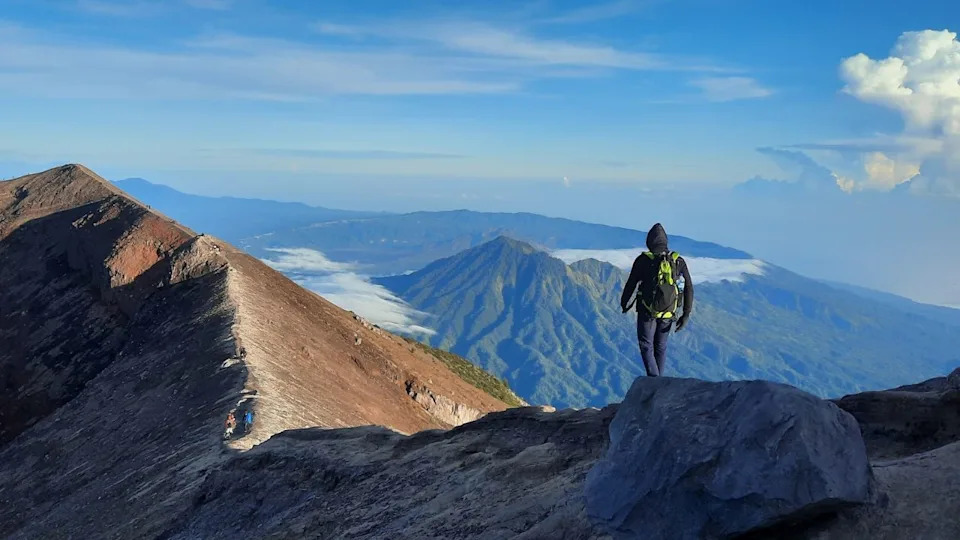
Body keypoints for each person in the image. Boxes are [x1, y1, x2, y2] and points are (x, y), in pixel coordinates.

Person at [620, 223, 694, 377]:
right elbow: (688, 288)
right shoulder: (677, 261)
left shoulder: (643, 260)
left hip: (647, 311)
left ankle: (654, 380)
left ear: (649, 242)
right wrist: (686, 314)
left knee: (646, 345)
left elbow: (631, 283)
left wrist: (624, 302)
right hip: (668, 312)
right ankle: (658, 381)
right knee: (660, 346)